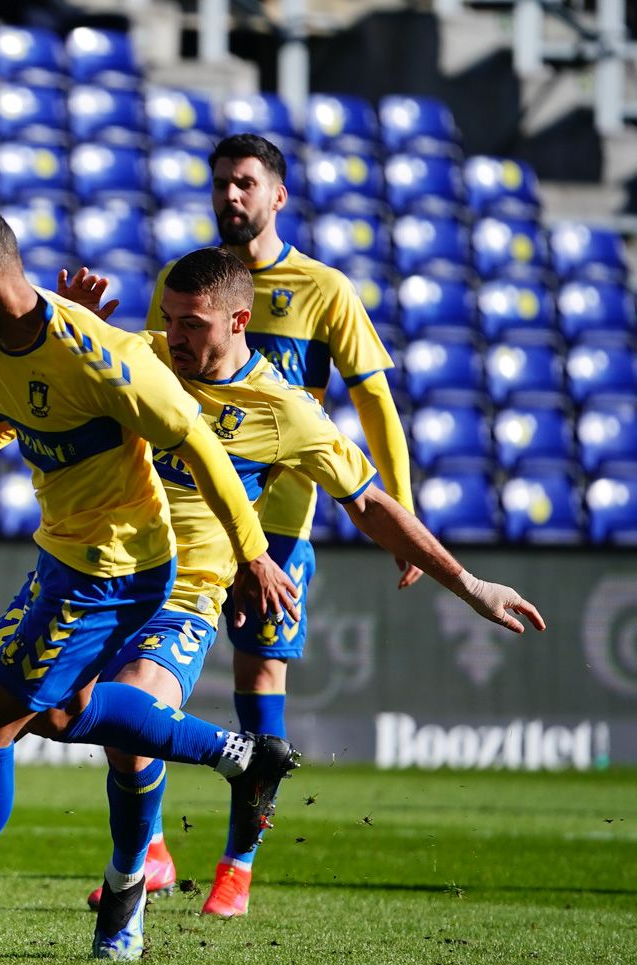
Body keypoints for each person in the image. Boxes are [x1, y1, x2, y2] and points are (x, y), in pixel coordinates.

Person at [0, 205, 301, 965]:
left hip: (113, 570)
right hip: (64, 562)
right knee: (67, 713)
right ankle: (237, 755)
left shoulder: (102, 357)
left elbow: (200, 443)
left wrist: (251, 552)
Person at [56, 249, 541, 937]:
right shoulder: (148, 355)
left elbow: (370, 503)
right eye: (169, 320)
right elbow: (53, 367)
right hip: (105, 576)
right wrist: (74, 316)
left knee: (139, 704)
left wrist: (468, 584)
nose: (175, 336)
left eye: (191, 323)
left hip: (203, 581)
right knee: (74, 724)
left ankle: (194, 867)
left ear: (238, 320)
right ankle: (138, 863)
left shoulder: (286, 409)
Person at [131, 133, 417, 915]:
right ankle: (148, 850)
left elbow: (373, 402)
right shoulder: (184, 284)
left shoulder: (324, 289)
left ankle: (238, 864)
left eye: (246, 183)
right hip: (186, 517)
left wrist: (403, 508)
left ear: (277, 195)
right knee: (133, 682)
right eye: (221, 182)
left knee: (258, 682)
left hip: (279, 528)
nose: (231, 195)